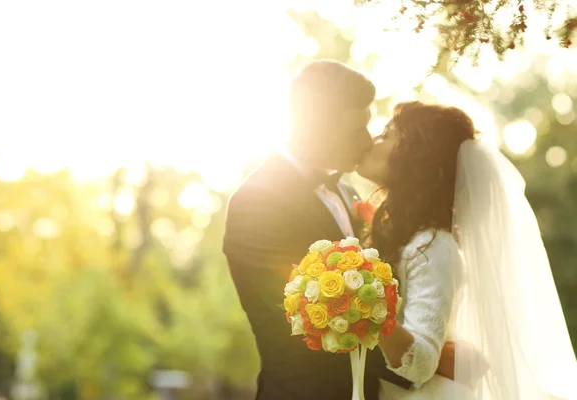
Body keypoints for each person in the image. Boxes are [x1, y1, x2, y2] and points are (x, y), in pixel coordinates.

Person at [357, 101, 577, 399]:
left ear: (414, 159)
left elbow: (420, 363)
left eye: (387, 135)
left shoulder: (434, 247)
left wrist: (362, 305)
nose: (372, 140)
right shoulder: (402, 235)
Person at [223, 60, 415, 399]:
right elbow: (308, 313)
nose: (368, 141)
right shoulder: (256, 201)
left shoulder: (347, 191)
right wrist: (423, 357)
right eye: (356, 129)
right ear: (318, 128)